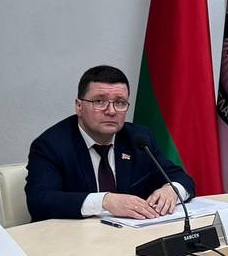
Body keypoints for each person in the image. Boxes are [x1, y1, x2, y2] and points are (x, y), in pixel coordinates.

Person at [25, 65, 195, 222]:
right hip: (73, 238)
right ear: (79, 106)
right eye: (99, 101)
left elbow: (182, 178)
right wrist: (105, 201)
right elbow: (40, 201)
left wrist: (172, 189)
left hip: (129, 237)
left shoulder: (139, 139)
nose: (112, 111)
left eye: (120, 103)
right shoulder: (51, 145)